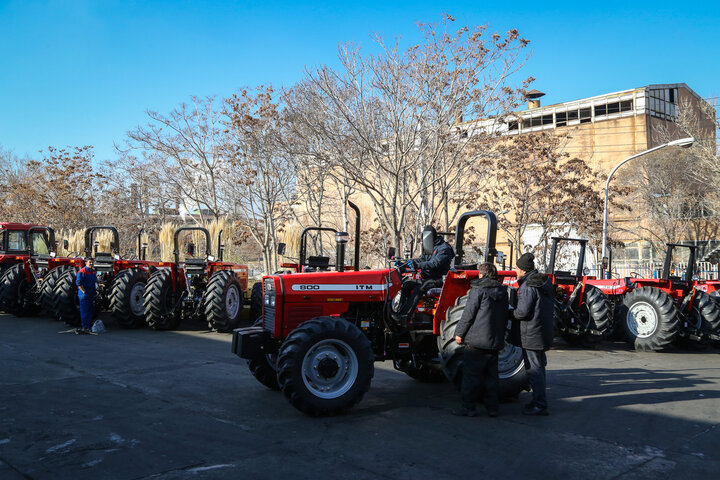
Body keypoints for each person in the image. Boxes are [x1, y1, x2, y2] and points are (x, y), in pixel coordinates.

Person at [452, 263, 509, 418]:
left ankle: (468, 407)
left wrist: (459, 333)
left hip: (477, 341)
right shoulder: (503, 291)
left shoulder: (478, 290)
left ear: (482, 275)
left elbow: (468, 314)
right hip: (494, 342)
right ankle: (493, 409)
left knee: (471, 376)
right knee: (492, 377)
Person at [511, 252, 555, 416]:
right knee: (538, 368)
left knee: (534, 370)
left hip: (531, 334)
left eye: (516, 268)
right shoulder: (544, 282)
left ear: (523, 270)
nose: (515, 270)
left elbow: (522, 313)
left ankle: (540, 404)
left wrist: (511, 312)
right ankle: (537, 400)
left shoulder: (528, 286)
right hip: (541, 331)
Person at [394, 225, 454, 319]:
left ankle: (405, 316)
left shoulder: (444, 248)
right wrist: (404, 264)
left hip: (438, 278)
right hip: (428, 278)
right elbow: (422, 259)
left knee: (420, 288)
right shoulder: (430, 247)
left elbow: (434, 263)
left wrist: (417, 265)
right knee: (406, 285)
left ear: (429, 236)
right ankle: (399, 311)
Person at [75, 257, 97, 334]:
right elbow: (79, 283)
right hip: (84, 295)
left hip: (91, 293)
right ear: (86, 263)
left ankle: (89, 325)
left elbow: (94, 281)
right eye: (90, 262)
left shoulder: (93, 272)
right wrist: (84, 292)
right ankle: (85, 326)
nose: (91, 263)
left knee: (90, 310)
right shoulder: (82, 272)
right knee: (85, 311)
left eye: (92, 262)